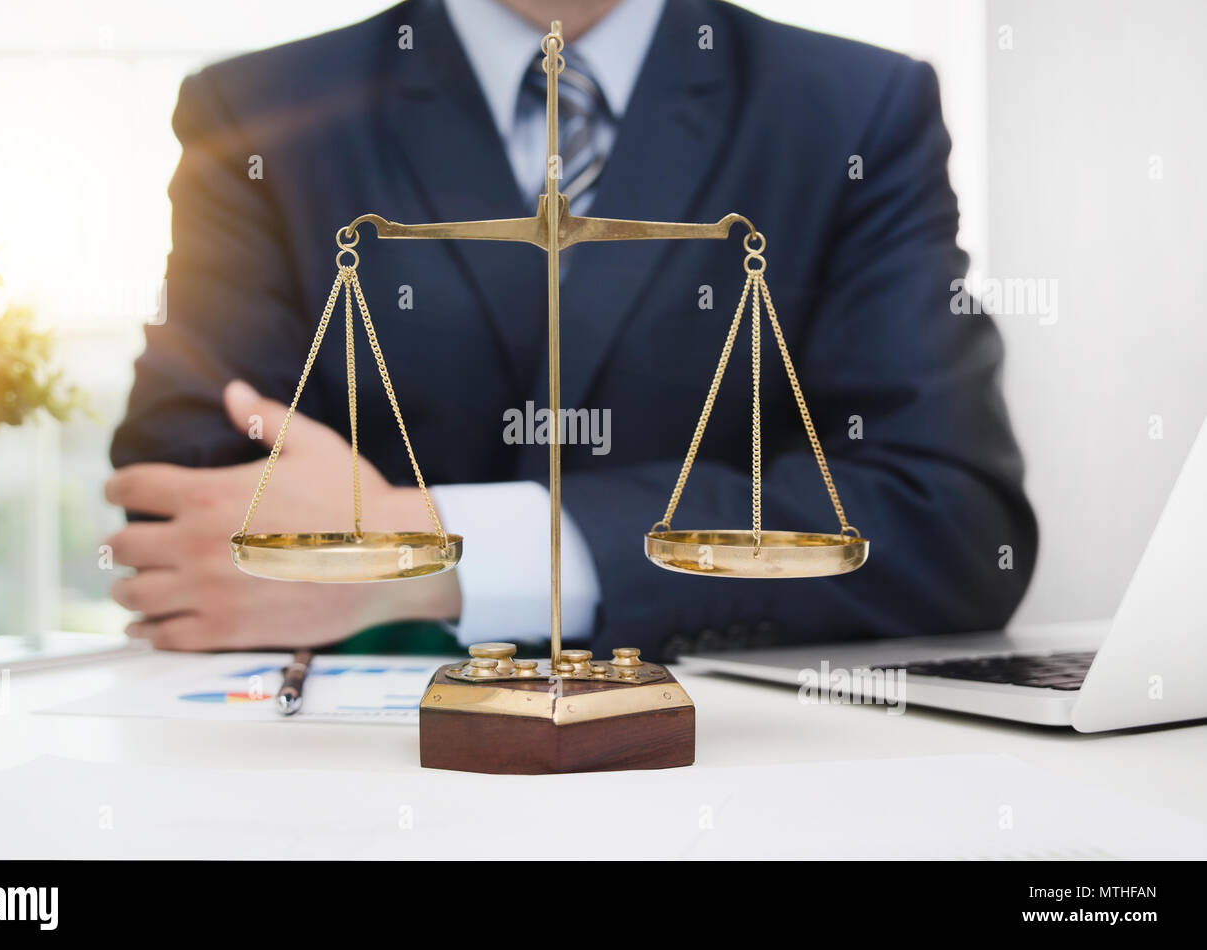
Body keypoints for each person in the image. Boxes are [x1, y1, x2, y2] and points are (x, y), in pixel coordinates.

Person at [106, 0, 1037, 659]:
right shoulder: (265, 113)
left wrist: (435, 552)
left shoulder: (854, 111)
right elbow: (179, 521)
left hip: (729, 773)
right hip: (363, 764)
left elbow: (949, 524)